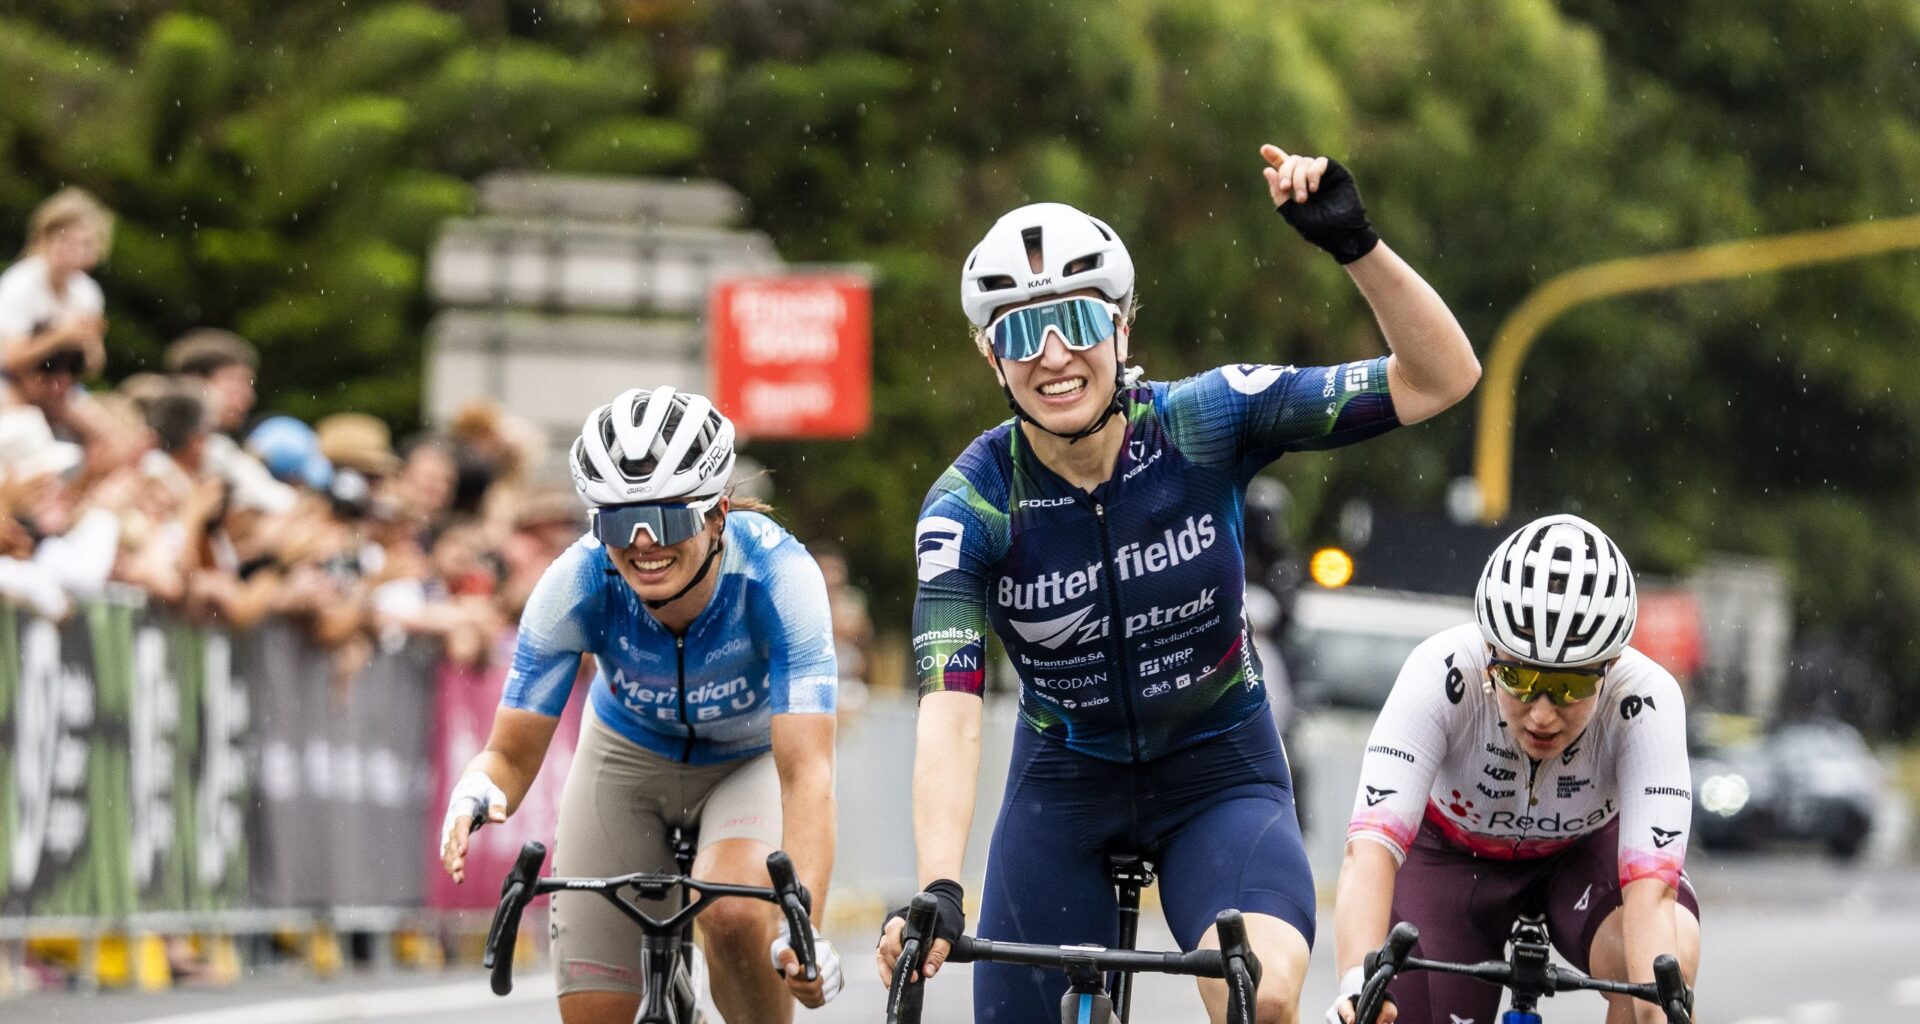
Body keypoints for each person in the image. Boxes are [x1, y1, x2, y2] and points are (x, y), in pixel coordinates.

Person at [877, 145, 1480, 1024]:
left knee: (1262, 998)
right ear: (988, 356)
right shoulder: (972, 505)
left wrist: (1359, 249)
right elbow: (950, 706)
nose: (1052, 357)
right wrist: (937, 881)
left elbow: (1443, 378)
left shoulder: (1208, 419)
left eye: (1077, 322)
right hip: (1063, 786)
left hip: (1220, 773)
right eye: (1017, 331)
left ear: (1122, 327)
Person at [437, 386, 843, 1024]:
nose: (645, 542)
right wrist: (475, 790)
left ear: (718, 513)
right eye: (620, 521)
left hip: (748, 759)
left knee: (736, 912)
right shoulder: (575, 582)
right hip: (626, 754)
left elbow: (807, 773)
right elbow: (508, 755)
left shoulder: (778, 576)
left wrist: (805, 926)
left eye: (671, 516)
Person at [1326, 514, 1699, 1024]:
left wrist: (1656, 1014)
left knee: (1670, 955)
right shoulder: (1440, 670)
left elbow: (1653, 894)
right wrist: (1355, 980)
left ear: (1609, 667)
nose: (1543, 713)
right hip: (1451, 860)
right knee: (1387, 1008)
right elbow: (1369, 849)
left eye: (1570, 686)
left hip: (1580, 858)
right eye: (1520, 679)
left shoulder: (1645, 699)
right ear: (1490, 656)